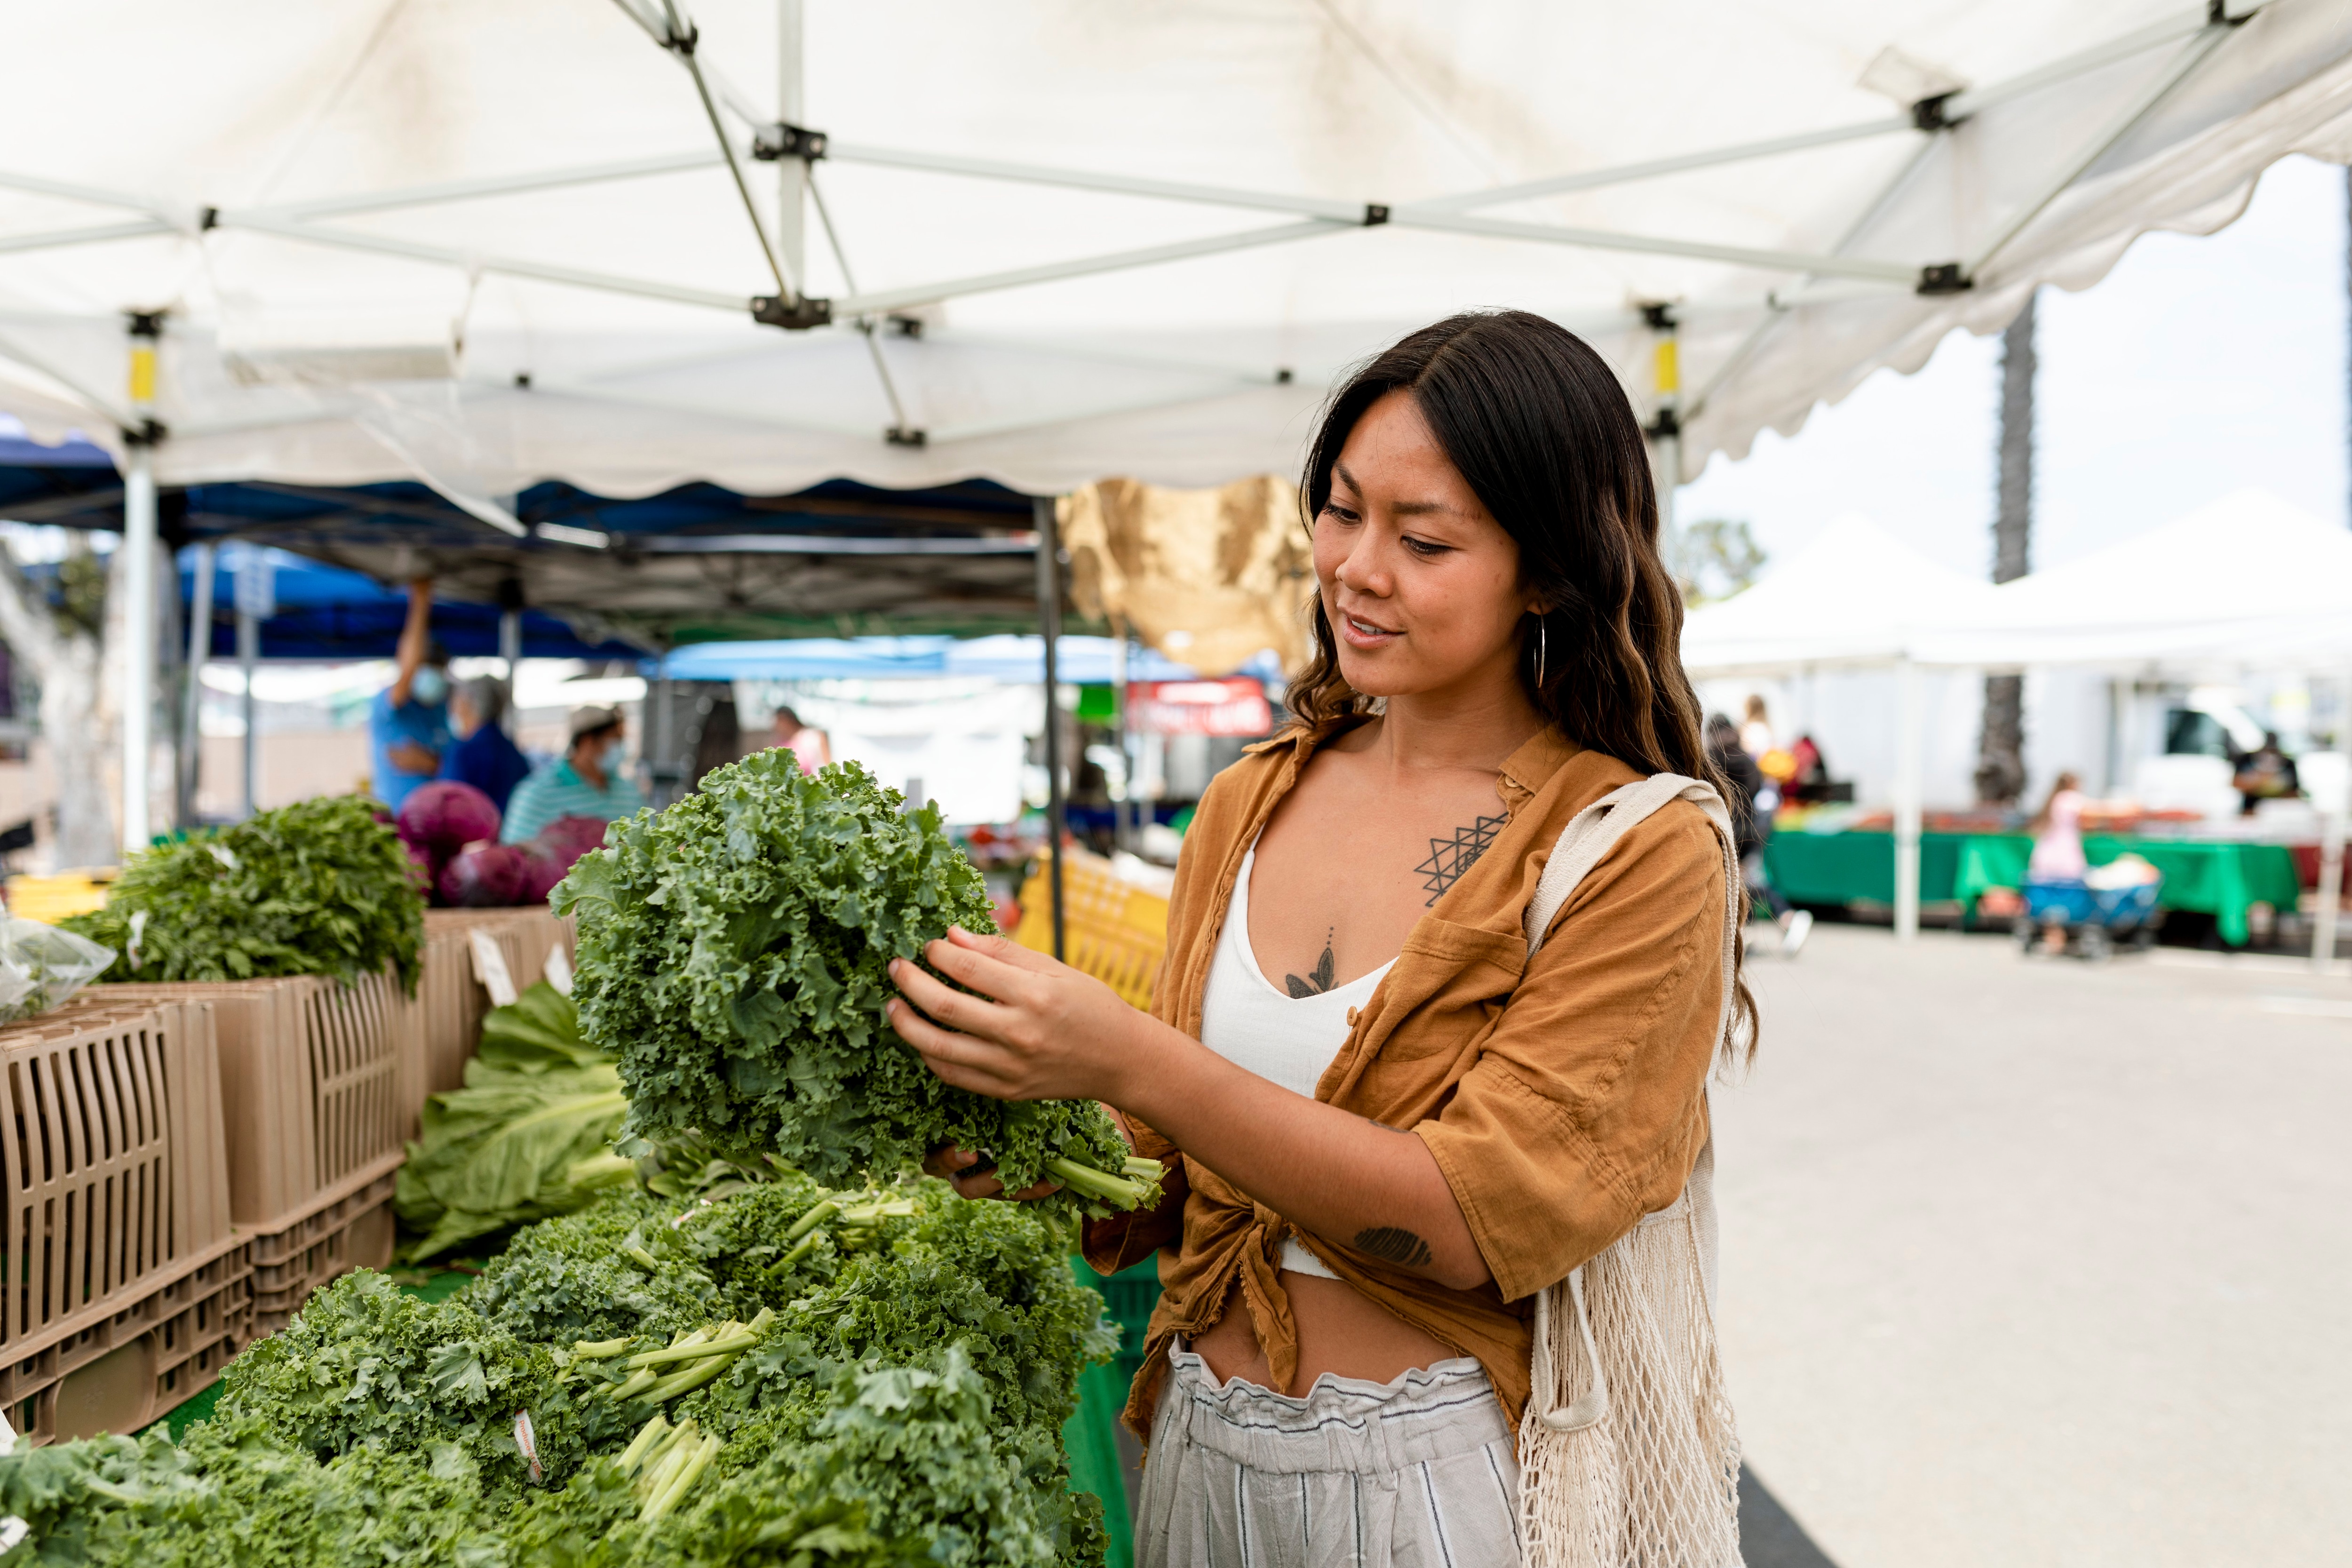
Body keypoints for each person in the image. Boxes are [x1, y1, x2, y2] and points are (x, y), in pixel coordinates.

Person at [882, 311, 1755, 1564]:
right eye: (1341, 512)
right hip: (1192, 1443)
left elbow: (1472, 1214)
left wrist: (1124, 1056)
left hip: (1444, 1481)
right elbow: (1171, 1157)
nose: (1356, 565)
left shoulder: (1636, 846)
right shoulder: (1250, 798)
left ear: (1550, 570)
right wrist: (1016, 1131)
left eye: (1425, 539)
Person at [1708, 712, 1811, 958]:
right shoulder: (1748, 760)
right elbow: (1758, 793)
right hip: (1751, 830)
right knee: (1748, 881)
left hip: (1727, 830)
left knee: (1742, 883)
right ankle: (1755, 929)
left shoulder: (1711, 759)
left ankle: (1786, 917)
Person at [500, 705, 645, 843]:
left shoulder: (628, 790)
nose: (621, 748)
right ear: (587, 741)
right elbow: (516, 855)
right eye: (615, 740)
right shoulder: (535, 795)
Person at [368, 579, 452, 812]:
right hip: (398, 820)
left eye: (438, 669)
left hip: (437, 819)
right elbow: (408, 670)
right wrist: (421, 602)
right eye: (426, 667)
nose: (434, 676)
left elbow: (452, 765)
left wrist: (430, 763)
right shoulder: (390, 706)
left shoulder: (440, 709)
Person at [440, 677, 533, 815]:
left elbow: (446, 809)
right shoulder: (513, 752)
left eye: (456, 704)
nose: (454, 711)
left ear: (467, 704)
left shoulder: (463, 753)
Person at [2232, 731, 2300, 816]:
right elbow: (2235, 783)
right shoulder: (2246, 759)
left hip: (2278, 812)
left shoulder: (2288, 763)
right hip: (2251, 810)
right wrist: (2258, 782)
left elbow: (2295, 792)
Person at [771, 704, 832, 772]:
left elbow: (828, 765)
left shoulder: (811, 737)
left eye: (780, 720)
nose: (777, 725)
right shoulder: (779, 743)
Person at [1740, 692, 1774, 759]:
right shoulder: (1766, 728)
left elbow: (1746, 749)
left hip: (1753, 764)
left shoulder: (1747, 728)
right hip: (1767, 764)